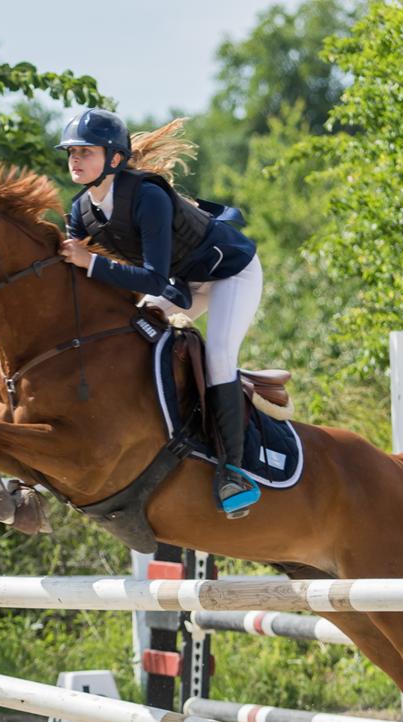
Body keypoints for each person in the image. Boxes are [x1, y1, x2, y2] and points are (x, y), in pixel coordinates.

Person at [57, 108, 264, 519]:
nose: (75, 160)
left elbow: (150, 277)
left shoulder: (147, 196)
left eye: (86, 152)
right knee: (130, 332)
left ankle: (233, 471)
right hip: (183, 284)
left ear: (115, 158)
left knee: (219, 355)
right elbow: (74, 273)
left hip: (229, 274)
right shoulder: (80, 211)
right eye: (71, 153)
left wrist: (90, 263)